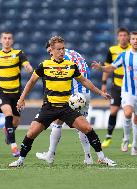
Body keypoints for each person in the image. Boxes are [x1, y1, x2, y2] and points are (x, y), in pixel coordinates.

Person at [9, 36, 116, 167]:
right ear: (51, 51)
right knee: (31, 133)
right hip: (49, 107)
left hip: (67, 108)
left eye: (63, 49)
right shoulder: (44, 65)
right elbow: (31, 82)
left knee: (87, 128)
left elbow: (84, 81)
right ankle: (20, 161)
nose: (62, 51)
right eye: (59, 49)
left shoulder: (70, 66)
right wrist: (21, 98)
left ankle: (102, 157)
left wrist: (100, 93)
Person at [92, 31, 137, 155]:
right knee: (127, 113)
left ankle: (135, 145)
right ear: (130, 41)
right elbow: (111, 67)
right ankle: (126, 139)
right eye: (133, 39)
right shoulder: (124, 55)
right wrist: (101, 68)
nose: (135, 41)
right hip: (127, 91)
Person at [35, 42, 93, 165]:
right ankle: (88, 157)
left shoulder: (63, 59)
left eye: (50, 51)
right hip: (85, 93)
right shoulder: (75, 54)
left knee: (57, 123)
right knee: (83, 126)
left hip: (75, 95)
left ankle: (50, 155)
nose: (50, 54)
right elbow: (85, 71)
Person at [100, 27, 132, 148]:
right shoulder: (112, 50)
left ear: (128, 37)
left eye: (125, 35)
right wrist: (103, 83)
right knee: (113, 111)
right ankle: (108, 137)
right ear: (118, 37)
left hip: (129, 87)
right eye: (121, 35)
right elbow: (107, 68)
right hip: (116, 86)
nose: (123, 37)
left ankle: (126, 138)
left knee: (127, 113)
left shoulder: (132, 50)